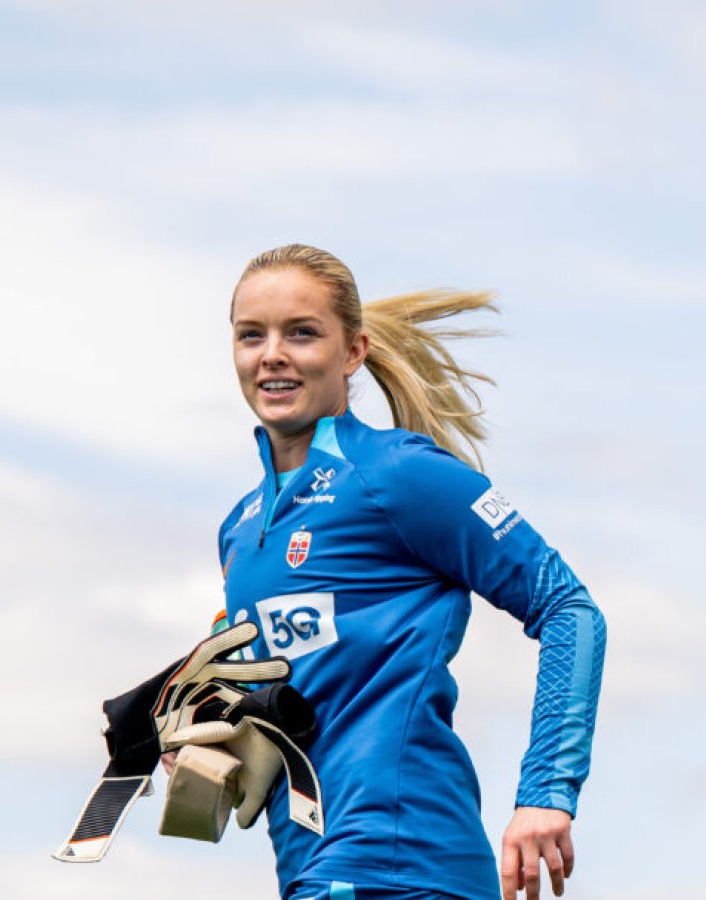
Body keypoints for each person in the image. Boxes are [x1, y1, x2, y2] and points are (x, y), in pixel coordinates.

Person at [209, 243, 605, 900]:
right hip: (312, 871)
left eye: (301, 333)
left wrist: (547, 794)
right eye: (253, 335)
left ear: (354, 352)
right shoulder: (240, 530)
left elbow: (568, 608)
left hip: (403, 866)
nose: (272, 353)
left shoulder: (399, 474)